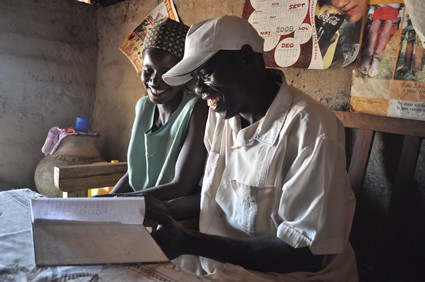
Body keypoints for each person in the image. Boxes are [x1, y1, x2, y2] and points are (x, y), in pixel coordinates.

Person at [144, 15, 358, 281]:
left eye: (205, 74)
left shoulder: (311, 129)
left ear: (246, 57)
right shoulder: (222, 115)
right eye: (194, 79)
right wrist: (167, 210)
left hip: (289, 273)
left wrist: (190, 241)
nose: (198, 89)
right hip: (220, 262)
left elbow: (305, 254)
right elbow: (222, 198)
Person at [110, 18, 208, 203]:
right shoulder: (144, 106)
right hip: (137, 205)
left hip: (172, 217)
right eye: (148, 70)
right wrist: (108, 199)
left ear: (184, 72)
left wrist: (121, 202)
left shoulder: (196, 109)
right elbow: (135, 174)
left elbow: (183, 185)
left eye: (166, 71)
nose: (154, 81)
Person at [357, 4, 403, 77]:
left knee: (385, 32)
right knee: (374, 30)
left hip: (393, 7)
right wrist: (371, 10)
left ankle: (376, 59)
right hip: (379, 7)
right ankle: (367, 56)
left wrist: (401, 14)